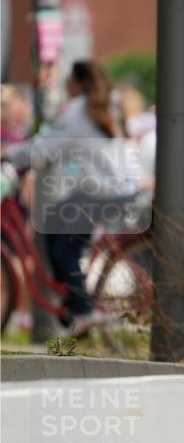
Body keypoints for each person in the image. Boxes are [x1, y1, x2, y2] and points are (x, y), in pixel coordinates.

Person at [2, 60, 136, 334]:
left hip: (102, 191)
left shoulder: (79, 111)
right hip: (114, 188)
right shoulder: (105, 103)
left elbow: (45, 146)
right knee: (54, 224)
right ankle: (74, 298)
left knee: (64, 247)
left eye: (68, 80)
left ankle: (83, 311)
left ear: (77, 83)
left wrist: (9, 154)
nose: (65, 85)